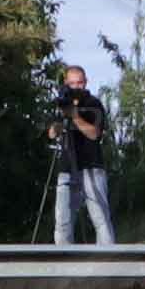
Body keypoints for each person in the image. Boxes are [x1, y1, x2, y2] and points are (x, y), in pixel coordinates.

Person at [45, 63, 114, 244]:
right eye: (72, 83)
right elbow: (52, 134)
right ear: (66, 83)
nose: (76, 87)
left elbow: (94, 134)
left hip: (91, 166)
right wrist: (62, 117)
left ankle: (108, 262)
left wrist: (75, 116)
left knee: (100, 219)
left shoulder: (93, 104)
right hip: (67, 167)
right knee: (62, 221)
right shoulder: (63, 103)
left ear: (86, 83)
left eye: (80, 83)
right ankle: (64, 265)